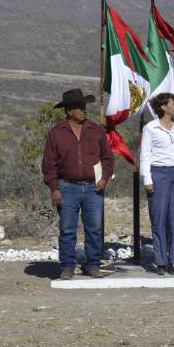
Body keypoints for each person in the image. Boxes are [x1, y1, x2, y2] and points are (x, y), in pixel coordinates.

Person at [40, 88, 115, 280]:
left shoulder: (96, 131)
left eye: (84, 106)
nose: (84, 110)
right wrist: (54, 188)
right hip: (66, 187)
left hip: (93, 188)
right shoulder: (57, 133)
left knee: (95, 228)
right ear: (69, 110)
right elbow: (49, 164)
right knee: (67, 229)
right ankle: (67, 266)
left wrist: (104, 178)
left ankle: (93, 265)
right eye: (79, 107)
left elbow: (107, 158)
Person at [140, 93, 174, 276]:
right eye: (173, 103)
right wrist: (147, 179)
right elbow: (145, 155)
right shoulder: (151, 128)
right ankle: (161, 260)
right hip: (158, 173)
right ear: (163, 107)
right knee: (159, 217)